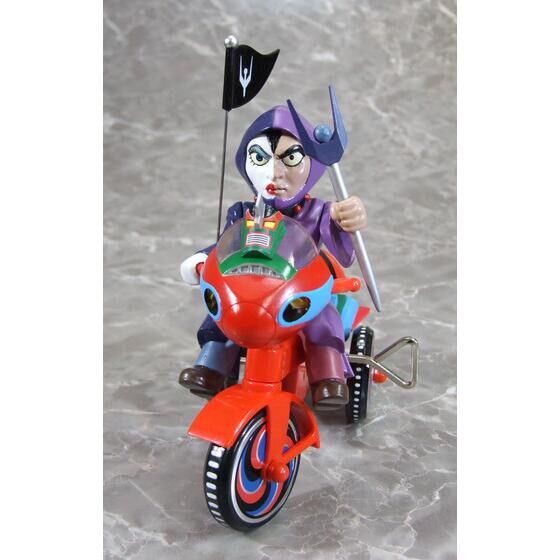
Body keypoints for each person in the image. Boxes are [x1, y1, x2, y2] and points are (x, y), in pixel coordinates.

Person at [178, 105, 367, 408]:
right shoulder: (241, 212)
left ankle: (328, 375)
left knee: (323, 320)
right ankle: (212, 366)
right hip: (249, 289)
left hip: (298, 292)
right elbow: (224, 245)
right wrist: (202, 261)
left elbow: (342, 247)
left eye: (290, 158)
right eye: (260, 158)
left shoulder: (318, 211)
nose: (275, 172)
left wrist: (347, 217)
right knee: (221, 316)